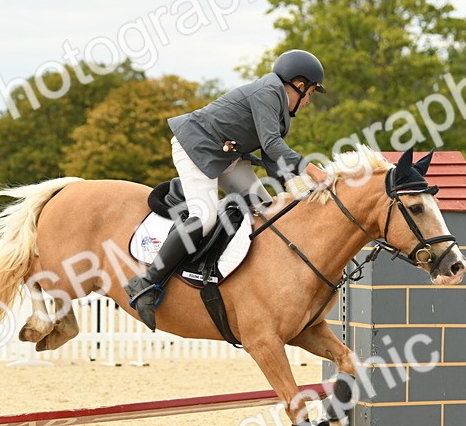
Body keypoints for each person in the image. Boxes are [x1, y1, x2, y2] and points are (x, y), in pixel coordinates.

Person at [124, 49, 326, 329]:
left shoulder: (281, 111)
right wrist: (313, 170)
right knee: (204, 218)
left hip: (228, 156)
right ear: (299, 85)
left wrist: (293, 195)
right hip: (195, 147)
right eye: (311, 93)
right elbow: (271, 146)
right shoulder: (268, 91)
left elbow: (272, 160)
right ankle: (145, 282)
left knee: (268, 213)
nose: (308, 102)